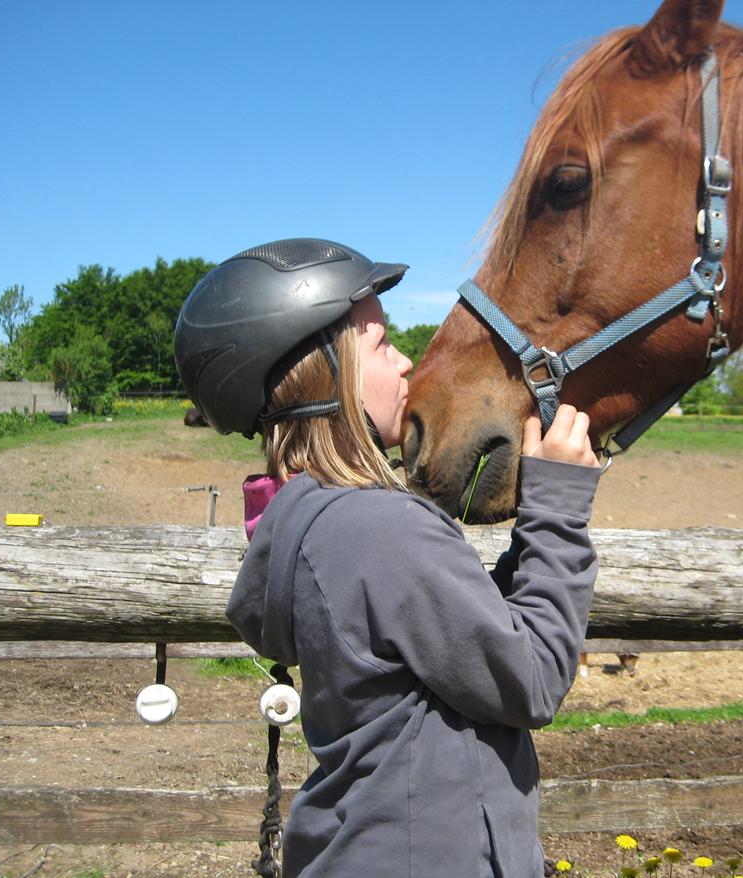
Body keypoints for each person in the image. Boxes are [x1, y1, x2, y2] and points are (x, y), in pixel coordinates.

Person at [174, 238, 602, 878]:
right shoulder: (377, 530)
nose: (406, 364)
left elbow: (467, 637)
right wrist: (559, 512)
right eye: (381, 346)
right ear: (325, 373)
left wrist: (537, 531)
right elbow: (531, 679)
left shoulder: (323, 526)